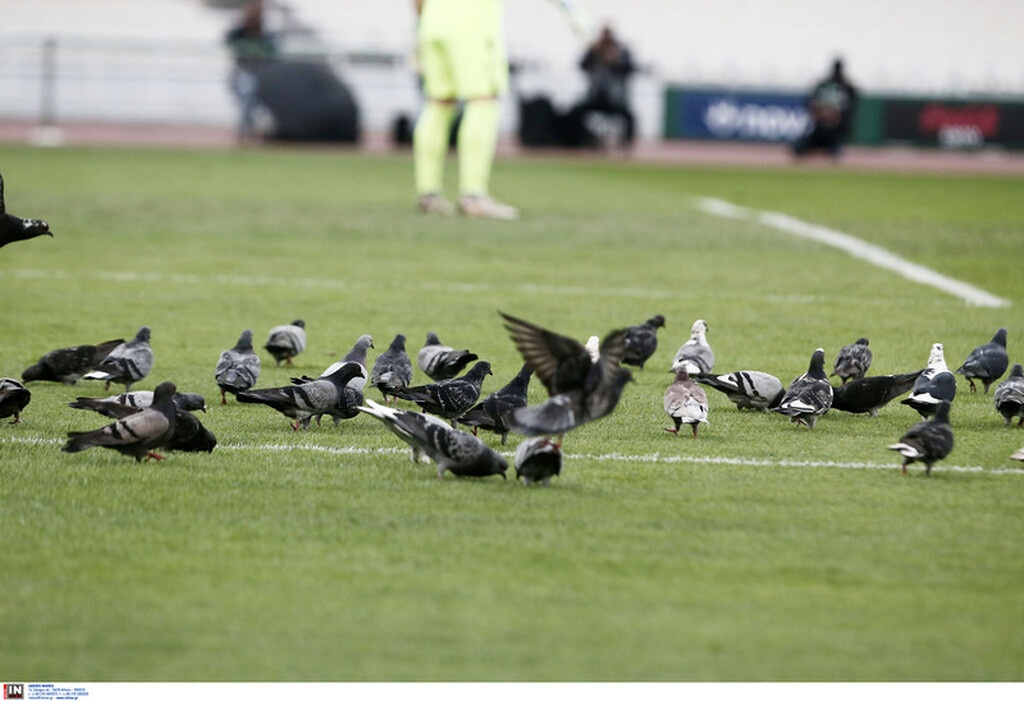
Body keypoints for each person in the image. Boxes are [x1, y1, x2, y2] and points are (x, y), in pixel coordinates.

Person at [413, 0, 519, 221]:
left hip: (431, 22)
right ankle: (473, 195)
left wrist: (423, 21)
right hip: (471, 24)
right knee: (483, 100)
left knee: (438, 103)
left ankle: (428, 194)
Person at [565, 24, 637, 148]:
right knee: (575, 112)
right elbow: (581, 65)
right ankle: (581, 140)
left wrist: (615, 61)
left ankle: (626, 145)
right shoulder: (594, 51)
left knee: (629, 116)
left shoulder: (621, 52)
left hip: (614, 99)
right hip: (595, 96)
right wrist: (593, 52)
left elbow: (630, 69)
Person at [225, 1, 276, 143]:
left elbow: (274, 50)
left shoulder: (265, 33)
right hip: (241, 74)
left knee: (253, 94)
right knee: (248, 89)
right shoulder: (238, 32)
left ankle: (250, 128)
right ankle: (245, 129)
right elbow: (229, 42)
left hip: (263, 75)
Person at [792, 58, 859, 158]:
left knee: (836, 152)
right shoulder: (823, 85)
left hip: (835, 132)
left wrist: (835, 118)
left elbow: (849, 110)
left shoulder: (847, 88)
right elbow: (811, 104)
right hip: (819, 130)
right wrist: (822, 115)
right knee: (799, 149)